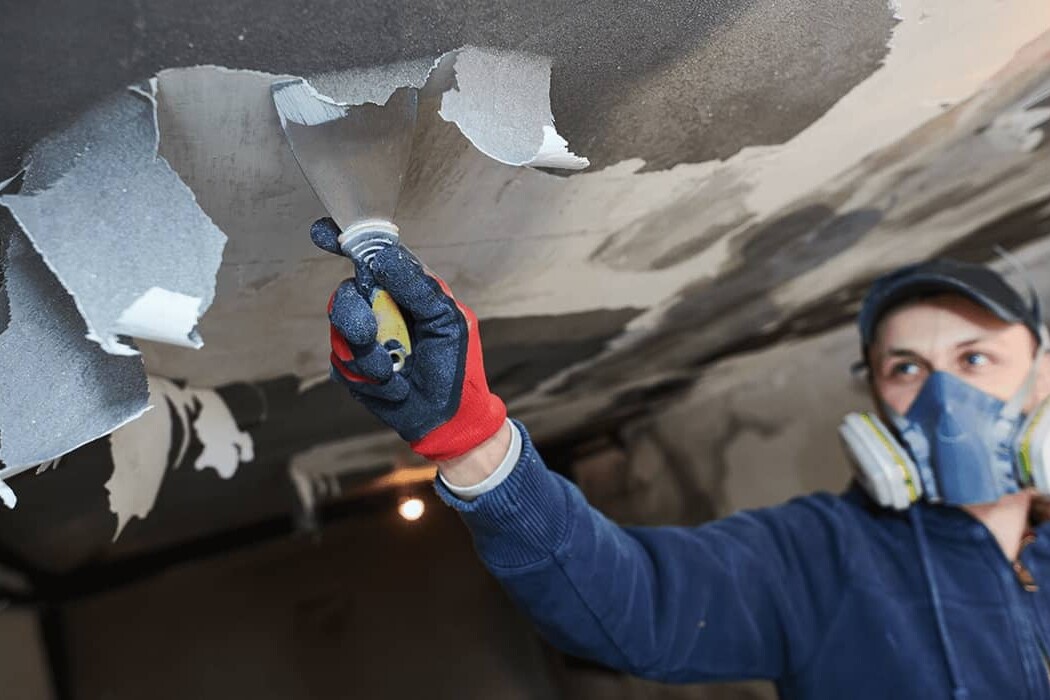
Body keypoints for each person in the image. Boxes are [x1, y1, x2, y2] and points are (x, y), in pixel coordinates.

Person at [311, 218, 1050, 699]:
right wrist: (472, 443)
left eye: (976, 357)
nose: (942, 397)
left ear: (1041, 377)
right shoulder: (818, 558)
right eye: (906, 369)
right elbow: (637, 606)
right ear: (880, 402)